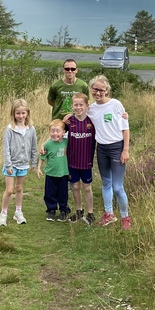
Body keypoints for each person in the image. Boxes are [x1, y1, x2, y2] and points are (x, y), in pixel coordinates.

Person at [88, 75, 131, 230]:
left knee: (117, 187)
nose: (98, 93)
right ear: (91, 89)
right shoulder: (91, 109)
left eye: (101, 90)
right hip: (102, 149)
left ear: (107, 90)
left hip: (117, 148)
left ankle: (125, 217)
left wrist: (125, 150)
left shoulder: (115, 104)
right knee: (106, 183)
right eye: (95, 89)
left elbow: (125, 128)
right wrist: (67, 118)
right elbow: (79, 116)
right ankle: (109, 214)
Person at [0, 98, 37, 226]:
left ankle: (18, 212)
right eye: (18, 113)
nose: (20, 116)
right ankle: (3, 213)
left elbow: (34, 147)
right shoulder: (10, 129)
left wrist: (33, 162)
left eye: (23, 113)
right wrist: (8, 164)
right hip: (11, 164)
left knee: (19, 188)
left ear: (27, 113)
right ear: (13, 113)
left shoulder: (31, 129)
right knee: (9, 190)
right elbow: (6, 148)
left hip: (23, 164)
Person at [65, 93, 96, 226]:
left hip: (86, 162)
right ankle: (79, 211)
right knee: (75, 186)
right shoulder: (68, 122)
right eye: (75, 105)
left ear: (87, 106)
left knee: (87, 188)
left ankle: (90, 213)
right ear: (72, 106)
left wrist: (123, 116)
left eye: (81, 105)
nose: (78, 107)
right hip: (72, 162)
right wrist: (44, 145)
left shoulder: (92, 121)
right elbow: (56, 132)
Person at [37, 119, 71, 222]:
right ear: (49, 132)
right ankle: (51, 210)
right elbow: (42, 157)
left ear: (63, 132)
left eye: (57, 131)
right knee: (50, 193)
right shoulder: (48, 144)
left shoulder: (67, 142)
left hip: (63, 173)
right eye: (52, 131)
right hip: (51, 174)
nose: (55, 133)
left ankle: (63, 210)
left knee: (63, 193)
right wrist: (38, 168)